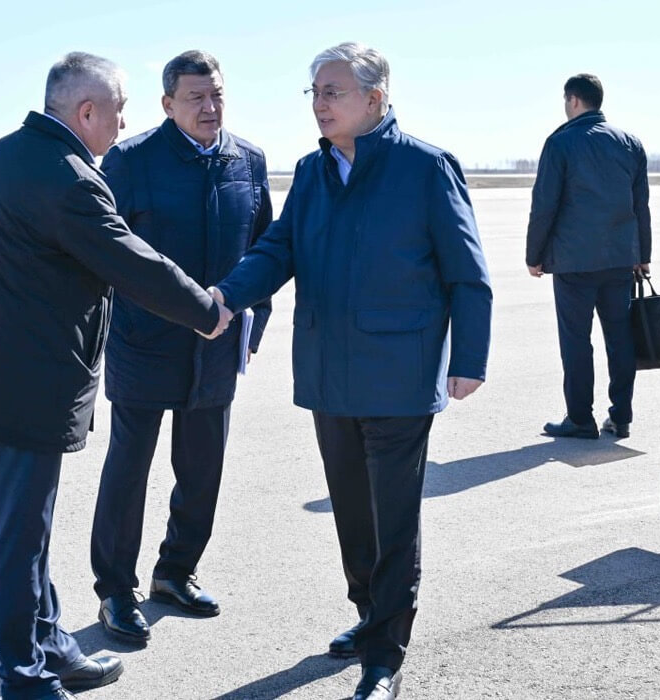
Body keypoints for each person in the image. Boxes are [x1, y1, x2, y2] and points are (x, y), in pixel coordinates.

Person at [211, 42, 492, 700]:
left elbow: (468, 273)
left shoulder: (425, 167)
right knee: (352, 512)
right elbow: (279, 249)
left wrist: (469, 360)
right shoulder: (313, 171)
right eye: (314, 91)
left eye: (333, 91)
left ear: (375, 98)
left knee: (393, 518)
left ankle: (385, 655)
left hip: (399, 374)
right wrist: (226, 296)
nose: (320, 102)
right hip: (328, 372)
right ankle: (369, 613)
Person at [0, 52, 231, 700]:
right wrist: (205, 310)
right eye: (119, 110)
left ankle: (51, 646)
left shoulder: (0, 158)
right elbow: (132, 262)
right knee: (20, 539)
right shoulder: (70, 179)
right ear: (86, 111)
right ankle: (25, 677)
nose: (123, 123)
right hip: (29, 384)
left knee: (29, 529)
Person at [89, 50, 273, 643]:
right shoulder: (131, 160)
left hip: (217, 345)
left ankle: (175, 571)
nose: (210, 107)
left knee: (202, 468)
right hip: (143, 342)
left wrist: (253, 327)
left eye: (217, 95)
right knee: (129, 469)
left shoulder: (247, 160)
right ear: (168, 104)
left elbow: (264, 251)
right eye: (196, 97)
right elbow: (103, 249)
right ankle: (116, 589)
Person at [525, 73, 651, 440]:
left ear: (574, 100)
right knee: (620, 338)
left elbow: (544, 205)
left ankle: (580, 418)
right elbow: (640, 206)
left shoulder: (560, 143)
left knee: (576, 341)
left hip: (573, 262)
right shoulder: (629, 143)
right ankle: (621, 416)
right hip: (620, 260)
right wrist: (643, 255)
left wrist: (534, 255)